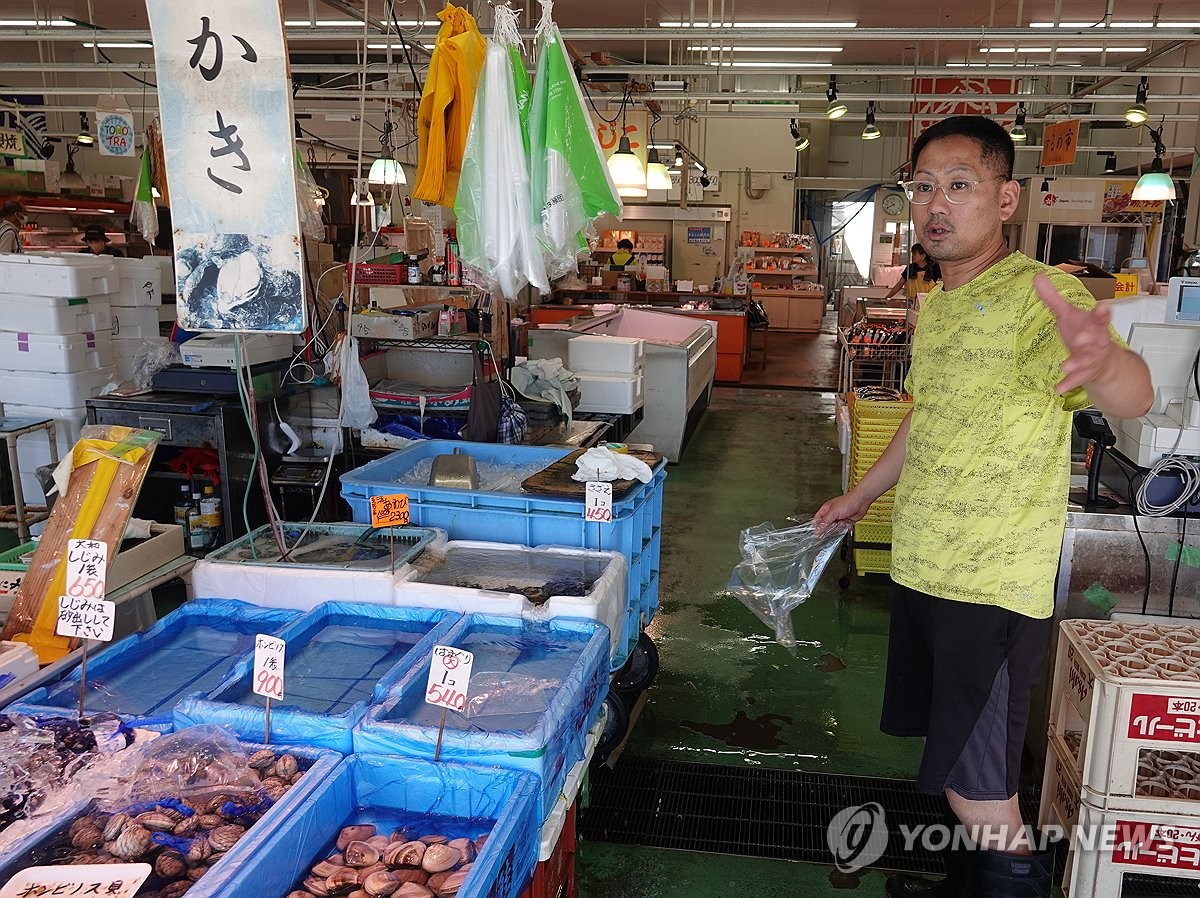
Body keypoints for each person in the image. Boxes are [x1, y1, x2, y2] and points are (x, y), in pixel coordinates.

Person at [813, 115, 1152, 898]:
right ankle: (964, 883)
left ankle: (1015, 885)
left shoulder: (1043, 294)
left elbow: (1136, 390)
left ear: (1005, 199)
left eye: (959, 185)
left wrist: (1107, 362)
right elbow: (925, 420)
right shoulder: (942, 300)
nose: (937, 203)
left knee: (981, 785)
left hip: (991, 588)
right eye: (924, 185)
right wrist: (861, 496)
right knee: (955, 755)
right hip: (925, 569)